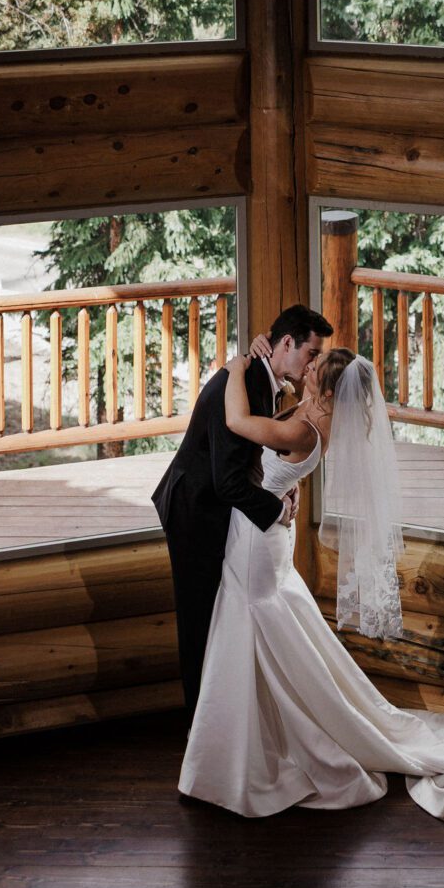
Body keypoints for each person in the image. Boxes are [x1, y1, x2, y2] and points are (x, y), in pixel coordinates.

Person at [178, 344, 444, 820]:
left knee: (252, 625)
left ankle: (247, 758)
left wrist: (234, 366)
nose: (307, 368)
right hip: (264, 533)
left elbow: (239, 424)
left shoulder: (306, 426)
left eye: (314, 368)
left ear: (325, 386)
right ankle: (257, 737)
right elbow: (273, 461)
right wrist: (286, 485)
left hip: (257, 543)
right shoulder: (310, 415)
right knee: (265, 632)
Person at [153, 303, 333, 714]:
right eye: (310, 353)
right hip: (196, 511)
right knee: (200, 622)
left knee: (223, 617)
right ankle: (200, 729)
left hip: (222, 507)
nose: (312, 365)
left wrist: (285, 488)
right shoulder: (246, 381)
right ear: (286, 343)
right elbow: (227, 481)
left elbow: (252, 461)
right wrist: (276, 508)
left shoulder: (261, 377)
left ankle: (236, 714)